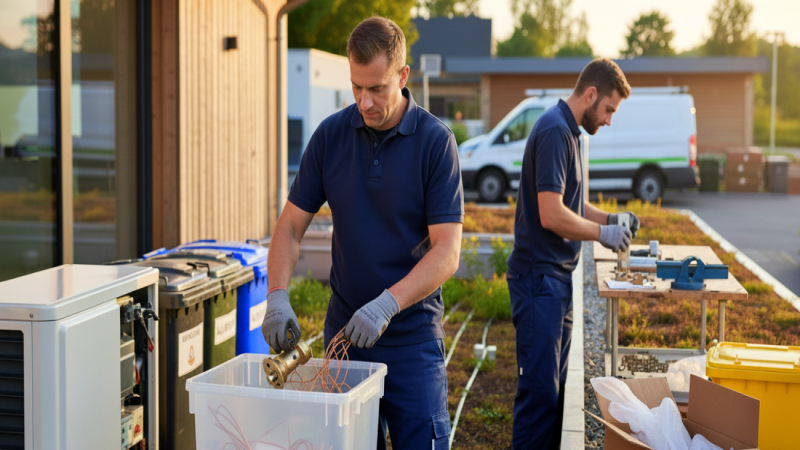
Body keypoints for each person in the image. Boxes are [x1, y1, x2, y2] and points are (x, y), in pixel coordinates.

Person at [261, 16, 463, 450]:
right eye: (356, 87)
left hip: (412, 342)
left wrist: (388, 304)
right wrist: (276, 294)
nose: (365, 102)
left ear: (403, 76)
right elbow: (291, 227)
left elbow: (447, 252)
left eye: (377, 88)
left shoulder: (435, 143)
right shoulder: (331, 135)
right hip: (345, 341)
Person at [506, 58, 641, 449]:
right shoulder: (553, 131)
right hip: (538, 282)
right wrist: (603, 233)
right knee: (539, 398)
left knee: (555, 395)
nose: (610, 120)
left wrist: (613, 217)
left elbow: (572, 203)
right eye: (609, 110)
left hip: (555, 282)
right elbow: (551, 214)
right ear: (591, 94)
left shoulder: (570, 132)